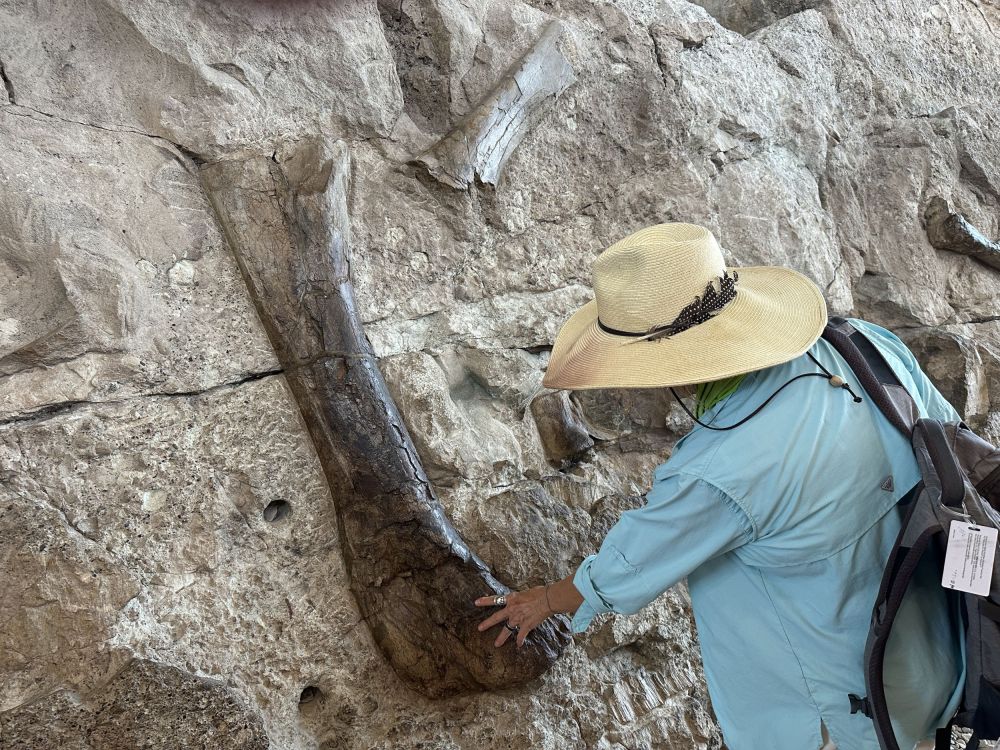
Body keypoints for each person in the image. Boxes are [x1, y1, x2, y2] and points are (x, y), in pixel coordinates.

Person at [473, 223, 965, 750]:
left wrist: (546, 600)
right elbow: (950, 442)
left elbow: (633, 561)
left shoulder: (720, 468)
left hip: (840, 693)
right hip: (934, 648)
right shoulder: (860, 344)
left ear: (670, 369)